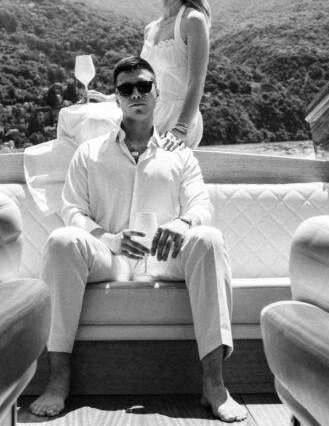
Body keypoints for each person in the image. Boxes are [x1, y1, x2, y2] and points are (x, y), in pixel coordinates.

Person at [28, 56, 247, 423]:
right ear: (116, 98)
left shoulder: (181, 157)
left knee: (207, 237)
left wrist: (182, 224)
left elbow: (201, 206)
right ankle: (57, 378)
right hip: (107, 256)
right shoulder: (89, 154)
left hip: (164, 256)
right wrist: (109, 239)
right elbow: (72, 211)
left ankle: (214, 384)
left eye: (144, 86)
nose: (136, 93)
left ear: (157, 93)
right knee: (63, 239)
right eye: (126, 88)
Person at [141, 0, 210, 150]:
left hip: (178, 120)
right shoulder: (150, 29)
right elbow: (147, 81)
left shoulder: (192, 21)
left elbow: (197, 82)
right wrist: (111, 98)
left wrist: (180, 129)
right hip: (149, 114)